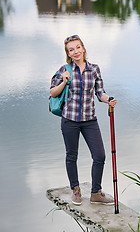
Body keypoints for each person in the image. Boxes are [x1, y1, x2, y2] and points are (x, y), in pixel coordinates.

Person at [50, 35, 117, 205]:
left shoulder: (94, 69)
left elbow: (100, 92)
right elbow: (52, 93)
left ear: (83, 48)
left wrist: (108, 99)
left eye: (78, 47)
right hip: (69, 120)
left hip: (89, 120)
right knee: (72, 156)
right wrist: (64, 81)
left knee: (100, 155)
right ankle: (76, 190)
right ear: (68, 53)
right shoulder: (64, 70)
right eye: (71, 50)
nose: (76, 51)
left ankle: (95, 192)